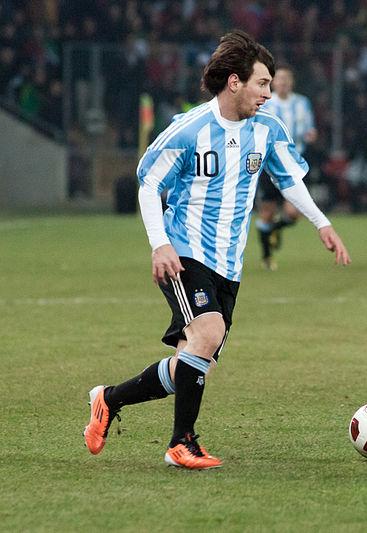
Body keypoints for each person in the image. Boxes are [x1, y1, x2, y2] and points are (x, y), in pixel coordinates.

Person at [83, 30, 350, 470]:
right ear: (234, 82)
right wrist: (160, 244)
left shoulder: (267, 130)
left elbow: (288, 180)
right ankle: (181, 443)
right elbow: (149, 184)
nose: (268, 93)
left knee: (193, 357)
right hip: (184, 252)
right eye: (262, 84)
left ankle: (108, 400)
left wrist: (322, 223)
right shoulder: (188, 130)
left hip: (229, 261)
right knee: (206, 334)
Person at [255, 65, 319, 270]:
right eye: (279, 79)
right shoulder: (265, 103)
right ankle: (267, 256)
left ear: (291, 82)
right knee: (266, 212)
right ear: (273, 82)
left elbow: (310, 128)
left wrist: (311, 134)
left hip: (293, 165)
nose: (283, 83)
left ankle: (274, 229)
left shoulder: (302, 103)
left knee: (294, 212)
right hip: (269, 165)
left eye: (286, 79)